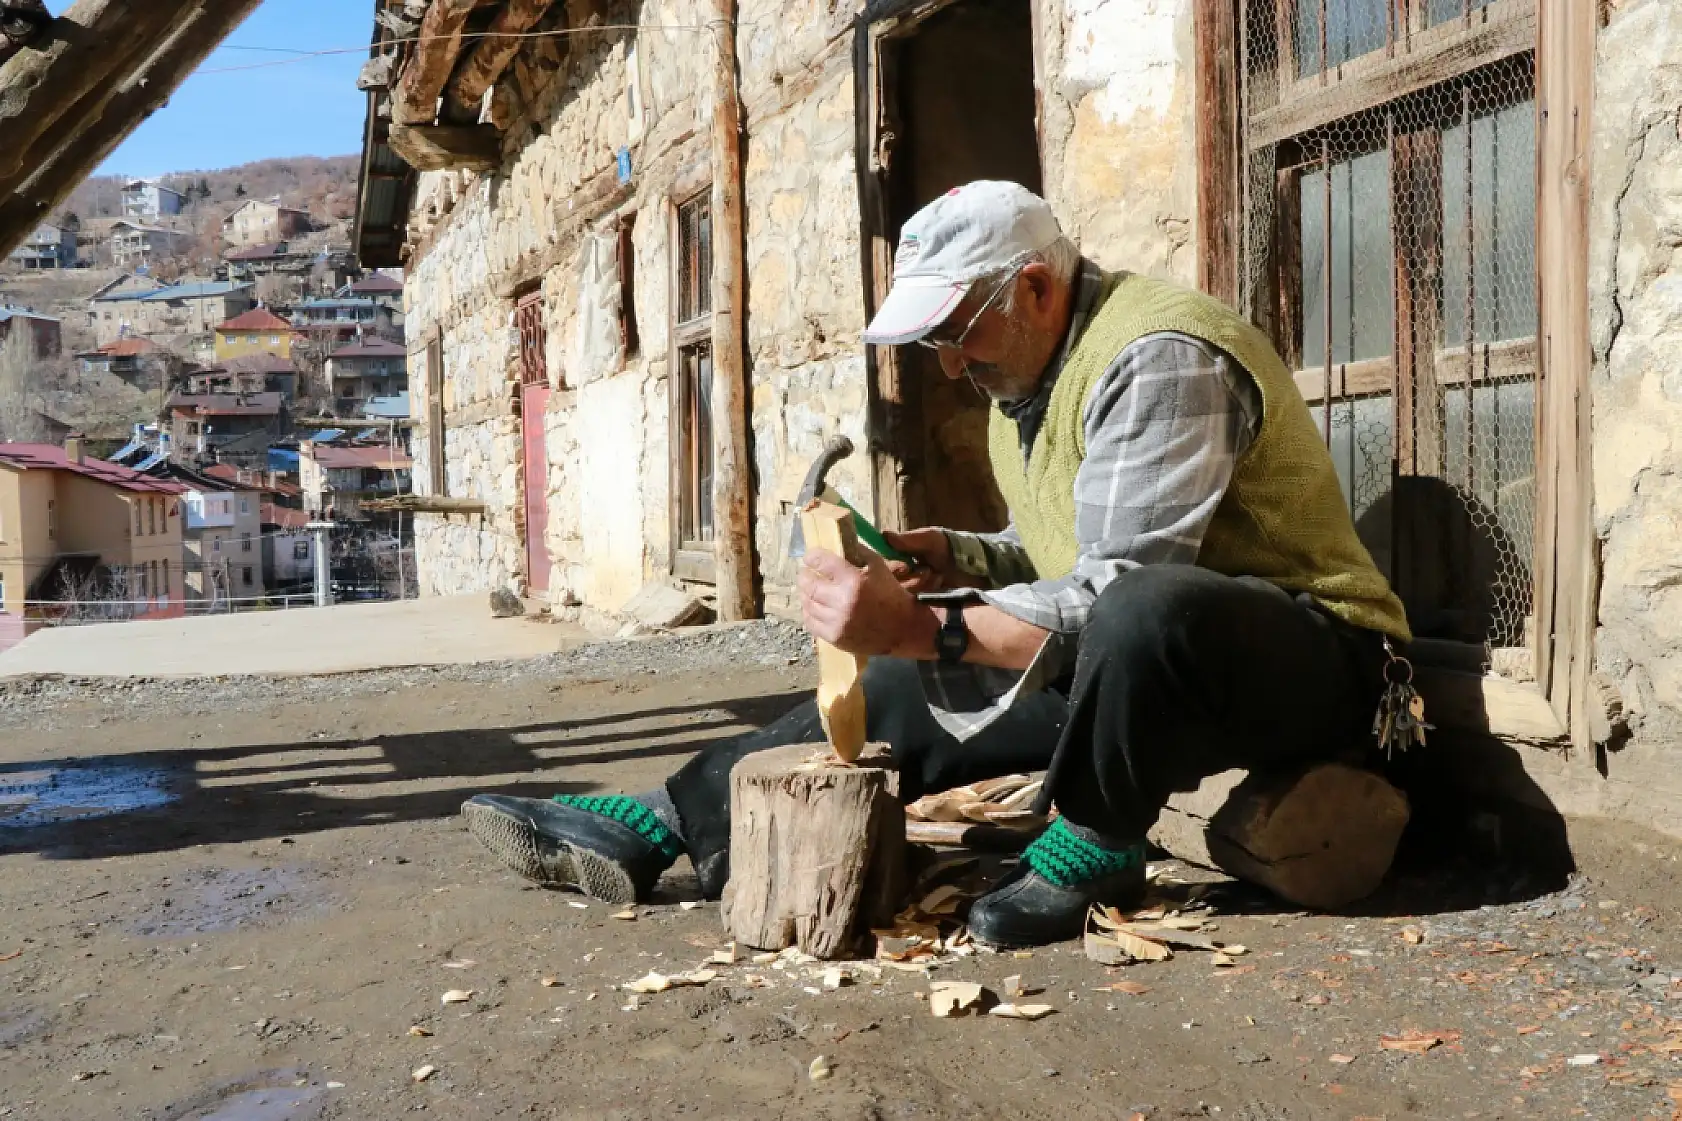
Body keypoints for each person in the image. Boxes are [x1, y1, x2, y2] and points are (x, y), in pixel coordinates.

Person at [461, 180, 1411, 948]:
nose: (953, 365)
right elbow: (1065, 556)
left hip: (1323, 666)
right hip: (1151, 669)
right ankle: (661, 819)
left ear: (1037, 287)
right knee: (904, 682)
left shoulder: (1159, 356)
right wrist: (956, 559)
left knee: (1133, 612)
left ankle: (1098, 843)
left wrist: (930, 621)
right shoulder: (1030, 380)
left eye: (960, 329)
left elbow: (1123, 589)